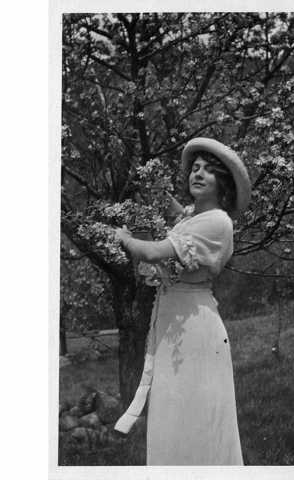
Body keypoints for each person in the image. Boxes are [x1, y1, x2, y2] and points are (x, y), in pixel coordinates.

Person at [112, 137, 251, 466]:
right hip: (175, 321)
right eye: (195, 168)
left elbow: (153, 252)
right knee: (173, 411)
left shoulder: (217, 222)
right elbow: (178, 212)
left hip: (194, 326)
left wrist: (124, 239)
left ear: (223, 183)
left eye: (208, 171)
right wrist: (153, 182)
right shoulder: (194, 217)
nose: (197, 174)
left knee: (197, 415)